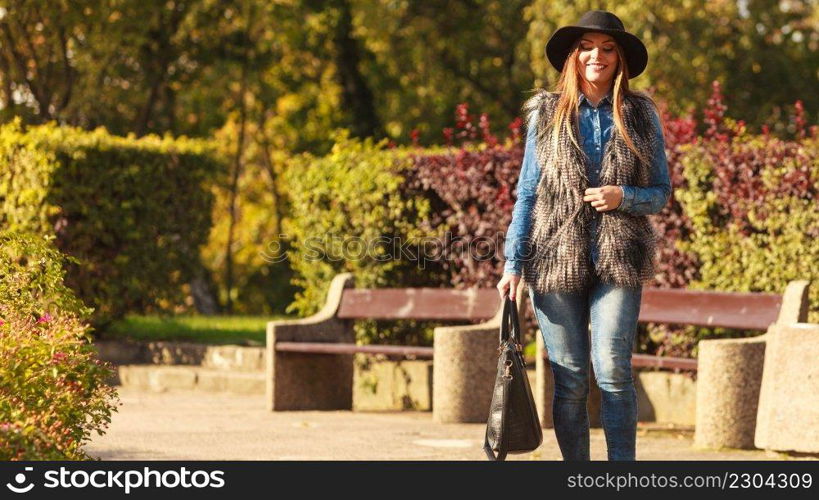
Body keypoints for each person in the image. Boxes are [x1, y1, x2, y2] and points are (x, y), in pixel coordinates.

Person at [496, 10, 672, 461]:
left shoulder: (639, 113)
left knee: (613, 370)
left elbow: (659, 192)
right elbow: (528, 192)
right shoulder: (546, 113)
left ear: (620, 58)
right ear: (573, 56)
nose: (598, 55)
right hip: (554, 258)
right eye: (587, 47)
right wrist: (513, 263)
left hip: (620, 257)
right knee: (570, 375)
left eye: (608, 48)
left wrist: (623, 196)